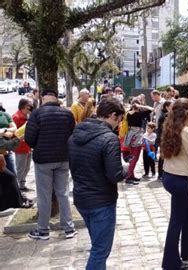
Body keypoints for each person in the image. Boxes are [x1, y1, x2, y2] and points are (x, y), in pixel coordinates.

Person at [68, 97, 127, 269]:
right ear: (113, 115)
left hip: (81, 198)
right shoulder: (109, 139)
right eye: (119, 120)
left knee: (97, 245)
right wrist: (126, 169)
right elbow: (115, 174)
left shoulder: (75, 135)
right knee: (100, 250)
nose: (119, 125)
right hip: (101, 201)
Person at [25, 89, 77, 240]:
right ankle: (68, 228)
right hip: (63, 157)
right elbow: (72, 135)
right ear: (56, 99)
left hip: (44, 160)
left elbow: (29, 138)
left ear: (42, 99)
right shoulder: (67, 114)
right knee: (63, 193)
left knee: (44, 196)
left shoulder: (37, 114)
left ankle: (43, 230)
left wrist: (39, 146)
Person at [161, 98, 188, 270]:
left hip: (170, 175)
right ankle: (170, 262)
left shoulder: (169, 126)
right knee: (176, 220)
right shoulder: (186, 131)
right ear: (186, 112)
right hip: (180, 179)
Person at [123, 98, 153, 184]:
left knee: (132, 156)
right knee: (135, 157)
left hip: (130, 135)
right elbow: (151, 109)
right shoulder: (140, 114)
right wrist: (141, 106)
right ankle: (129, 176)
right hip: (137, 135)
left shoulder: (128, 114)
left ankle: (131, 175)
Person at [12, 98, 33, 191]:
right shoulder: (16, 117)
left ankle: (22, 185)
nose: (31, 107)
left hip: (28, 146)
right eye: (30, 105)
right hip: (20, 147)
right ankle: (17, 188)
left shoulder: (28, 116)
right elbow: (13, 134)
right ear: (24, 106)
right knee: (20, 168)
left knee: (27, 167)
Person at [0, 102, 18, 175]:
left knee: (13, 175)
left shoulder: (5, 115)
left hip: (7, 152)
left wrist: (4, 130)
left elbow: (14, 128)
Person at [157, 101, 172, 181]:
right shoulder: (164, 116)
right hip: (163, 139)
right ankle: (160, 174)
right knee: (162, 157)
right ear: (167, 107)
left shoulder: (167, 115)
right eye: (171, 105)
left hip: (165, 139)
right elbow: (162, 129)